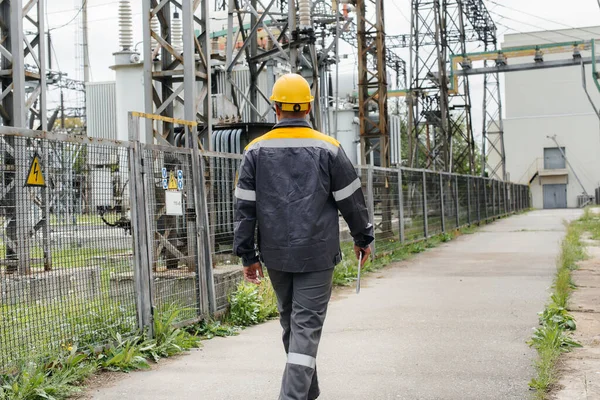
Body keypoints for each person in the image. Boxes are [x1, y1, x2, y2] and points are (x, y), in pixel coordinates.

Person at [233, 73, 374, 400]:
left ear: (276, 108)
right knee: (303, 329)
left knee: (293, 327)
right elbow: (352, 200)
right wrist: (363, 237)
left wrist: (247, 255)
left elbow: (244, 208)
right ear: (309, 106)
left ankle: (305, 394)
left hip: (277, 254)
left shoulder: (255, 150)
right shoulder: (329, 148)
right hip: (317, 255)